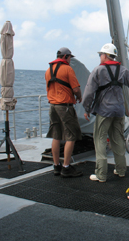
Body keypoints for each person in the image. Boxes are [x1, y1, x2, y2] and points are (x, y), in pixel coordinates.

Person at [82, 43, 129, 183]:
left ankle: (101, 174)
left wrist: (86, 109)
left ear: (105, 55)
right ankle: (121, 170)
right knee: (117, 140)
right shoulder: (122, 70)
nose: (100, 57)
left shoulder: (98, 71)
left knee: (99, 139)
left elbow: (88, 92)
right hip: (119, 111)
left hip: (104, 111)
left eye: (101, 54)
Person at [45, 47, 83, 178]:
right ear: (66, 56)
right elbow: (76, 89)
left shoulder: (48, 70)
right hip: (65, 107)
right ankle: (66, 167)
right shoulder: (68, 69)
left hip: (52, 106)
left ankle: (56, 166)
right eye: (70, 58)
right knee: (71, 136)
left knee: (56, 136)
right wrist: (79, 96)